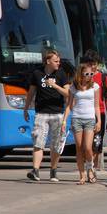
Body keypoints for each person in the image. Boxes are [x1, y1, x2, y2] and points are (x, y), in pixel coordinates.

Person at [24, 49, 70, 182]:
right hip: (41, 113)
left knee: (56, 145)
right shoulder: (37, 73)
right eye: (56, 61)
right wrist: (26, 108)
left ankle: (53, 171)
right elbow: (31, 92)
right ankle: (35, 170)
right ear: (48, 61)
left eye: (59, 61)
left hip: (57, 114)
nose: (58, 63)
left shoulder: (61, 74)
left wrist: (55, 85)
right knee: (38, 142)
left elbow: (67, 94)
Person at [62, 64, 101, 184]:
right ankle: (82, 175)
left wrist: (99, 120)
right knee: (79, 148)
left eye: (91, 74)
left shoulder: (95, 86)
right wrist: (64, 120)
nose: (89, 76)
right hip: (76, 118)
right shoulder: (74, 87)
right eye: (86, 74)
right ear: (81, 74)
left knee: (88, 147)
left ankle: (90, 169)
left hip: (89, 119)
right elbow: (69, 105)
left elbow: (96, 105)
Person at [81, 50, 107, 171]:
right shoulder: (80, 77)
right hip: (83, 114)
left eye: (94, 64)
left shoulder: (104, 78)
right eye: (89, 64)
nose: (92, 67)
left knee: (96, 144)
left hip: (99, 114)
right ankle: (87, 167)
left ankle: (91, 169)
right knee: (84, 145)